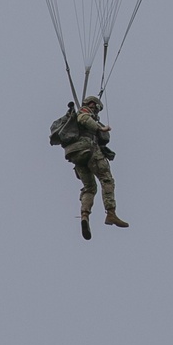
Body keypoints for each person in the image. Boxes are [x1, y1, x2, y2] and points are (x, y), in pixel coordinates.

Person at [52, 95, 128, 240]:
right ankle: (111, 213)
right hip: (88, 149)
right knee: (107, 179)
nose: (97, 112)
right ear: (93, 104)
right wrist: (101, 127)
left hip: (76, 155)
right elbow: (84, 119)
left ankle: (84, 215)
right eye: (98, 108)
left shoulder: (71, 120)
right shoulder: (84, 113)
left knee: (90, 188)